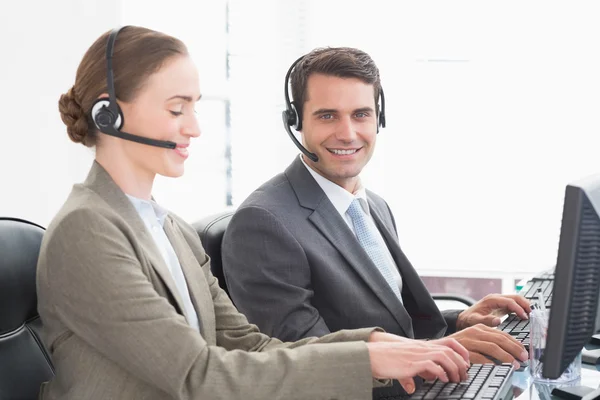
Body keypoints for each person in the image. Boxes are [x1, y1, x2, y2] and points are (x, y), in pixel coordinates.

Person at [36, 26, 471, 400]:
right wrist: (368, 360)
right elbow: (198, 374)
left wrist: (378, 347)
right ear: (108, 113)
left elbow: (251, 344)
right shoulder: (87, 229)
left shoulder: (170, 229)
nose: (194, 126)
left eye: (194, 106)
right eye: (176, 108)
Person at [221, 47, 531, 371]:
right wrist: (436, 353)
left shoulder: (371, 206)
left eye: (361, 114)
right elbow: (302, 362)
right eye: (327, 115)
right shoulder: (263, 224)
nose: (348, 133)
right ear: (296, 122)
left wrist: (459, 323)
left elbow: (393, 321)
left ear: (378, 118)